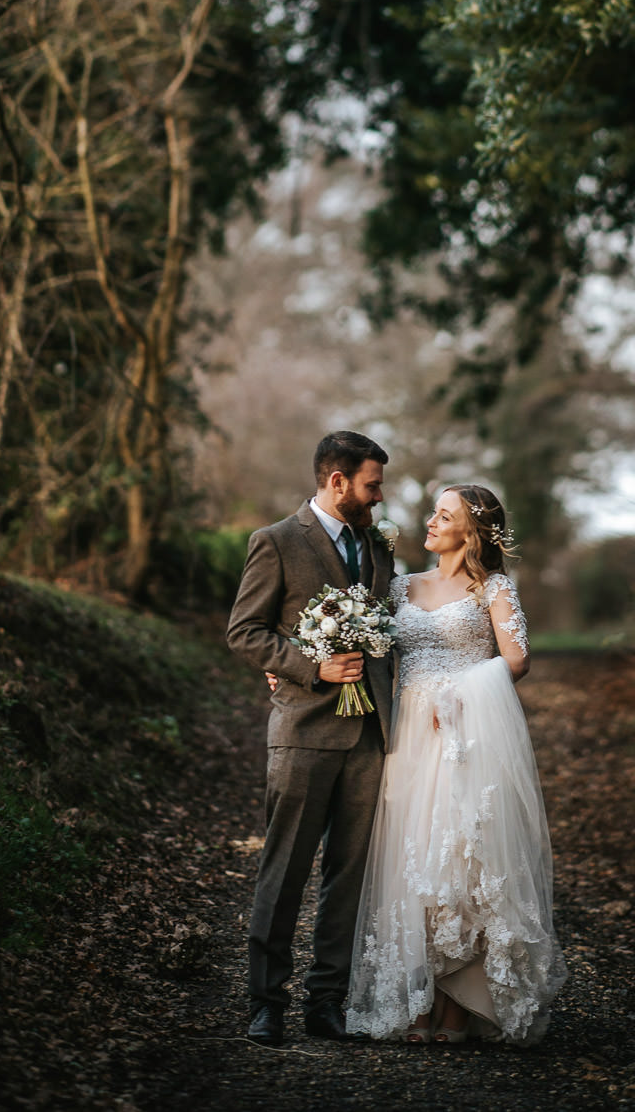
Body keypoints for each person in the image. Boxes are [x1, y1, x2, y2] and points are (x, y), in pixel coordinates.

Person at [345, 484, 566, 1045]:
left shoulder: (493, 588)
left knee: (462, 864)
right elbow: (365, 645)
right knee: (413, 863)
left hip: (466, 737)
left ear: (471, 532)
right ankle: (416, 1001)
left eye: (444, 516)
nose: (431, 521)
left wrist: (461, 694)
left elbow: (516, 659)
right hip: (409, 738)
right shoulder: (400, 586)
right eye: (434, 512)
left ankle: (458, 1008)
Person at [226, 430, 394, 1048]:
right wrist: (309, 665)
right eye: (372, 486)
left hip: (370, 734)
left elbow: (390, 629)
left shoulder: (379, 546)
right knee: (285, 871)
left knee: (349, 878)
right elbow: (245, 631)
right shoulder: (275, 541)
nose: (379, 497)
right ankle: (265, 1003)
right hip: (303, 731)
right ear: (337, 481)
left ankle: (327, 1003)